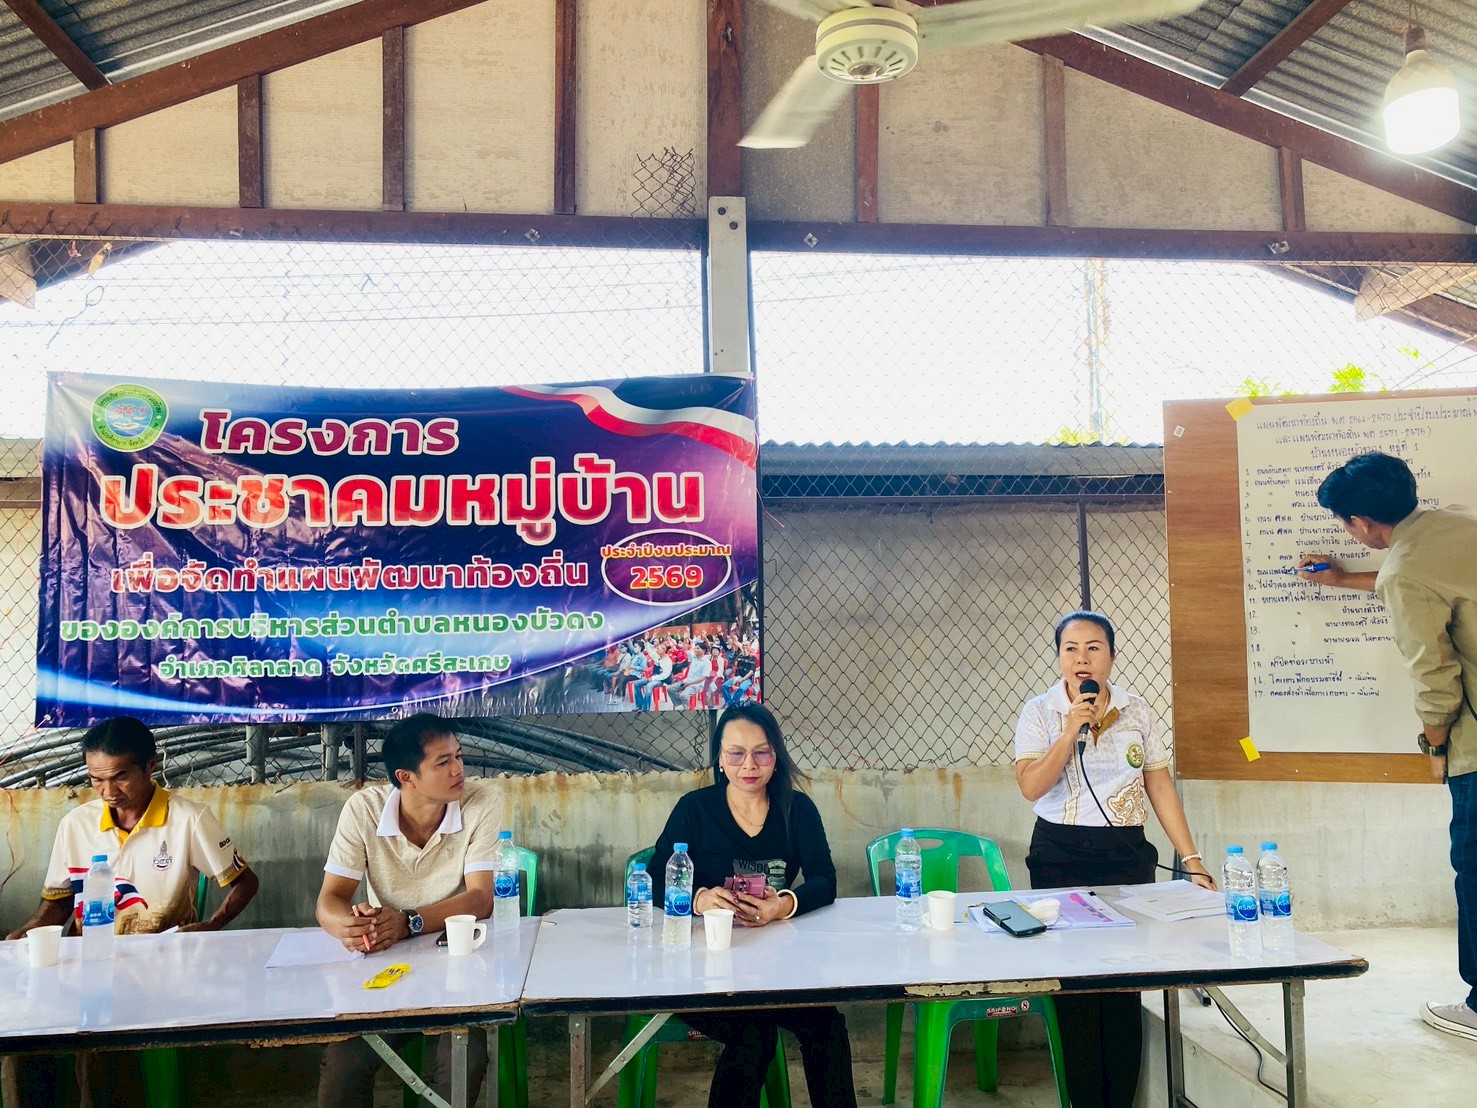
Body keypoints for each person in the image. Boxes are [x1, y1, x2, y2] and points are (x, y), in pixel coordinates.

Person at [1301, 450, 1477, 1042]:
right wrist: (1342, 580)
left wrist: (1434, 746)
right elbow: (1428, 583)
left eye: (1344, 523)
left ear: (1362, 523)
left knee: (1475, 866)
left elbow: (1435, 678)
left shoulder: (1403, 572)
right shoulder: (1458, 521)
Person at [3, 716, 260, 1107]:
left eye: (120, 776)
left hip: (158, 965)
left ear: (150, 766)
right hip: (86, 961)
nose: (108, 791)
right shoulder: (76, 824)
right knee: (20, 1039)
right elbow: (60, 901)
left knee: (100, 1047)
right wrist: (31, 929)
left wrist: (212, 924)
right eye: (96, 779)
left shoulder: (188, 819)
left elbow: (245, 882)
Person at [1013, 611, 1214, 1108]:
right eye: (1071, 648)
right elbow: (1031, 786)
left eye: (1093, 648)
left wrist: (1192, 859)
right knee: (1077, 990)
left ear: (1111, 656)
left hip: (1125, 856)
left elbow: (1158, 784)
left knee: (1125, 987)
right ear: (1059, 658)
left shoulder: (1137, 710)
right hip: (1059, 856)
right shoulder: (1039, 711)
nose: (1081, 658)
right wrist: (1069, 732)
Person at [649, 702, 858, 1108]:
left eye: (761, 752)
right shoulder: (695, 809)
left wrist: (783, 905)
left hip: (777, 965)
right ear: (720, 759)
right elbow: (655, 877)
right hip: (703, 967)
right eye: (736, 753)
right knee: (753, 1033)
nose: (749, 765)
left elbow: (824, 879)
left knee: (826, 1026)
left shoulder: (797, 809)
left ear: (776, 757)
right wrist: (698, 898)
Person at [314, 713, 502, 1106]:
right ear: (406, 777)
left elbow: (480, 899)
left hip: (461, 961)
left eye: (459, 756)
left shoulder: (482, 802)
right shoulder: (363, 809)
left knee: (464, 1056)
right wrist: (349, 927)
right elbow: (330, 900)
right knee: (346, 1060)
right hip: (387, 965)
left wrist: (408, 923)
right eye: (443, 762)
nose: (459, 769)